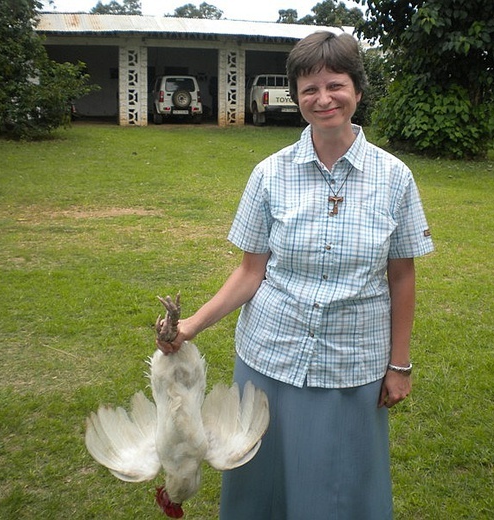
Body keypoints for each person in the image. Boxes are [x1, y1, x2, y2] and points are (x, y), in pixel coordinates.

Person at [156, 30, 435, 520]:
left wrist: (400, 364)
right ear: (296, 96)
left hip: (352, 363)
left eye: (335, 85)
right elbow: (250, 271)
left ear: (357, 91)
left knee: (339, 483)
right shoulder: (269, 174)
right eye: (309, 88)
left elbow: (402, 277)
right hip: (270, 358)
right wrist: (191, 326)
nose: (323, 98)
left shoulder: (396, 178)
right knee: (259, 481)